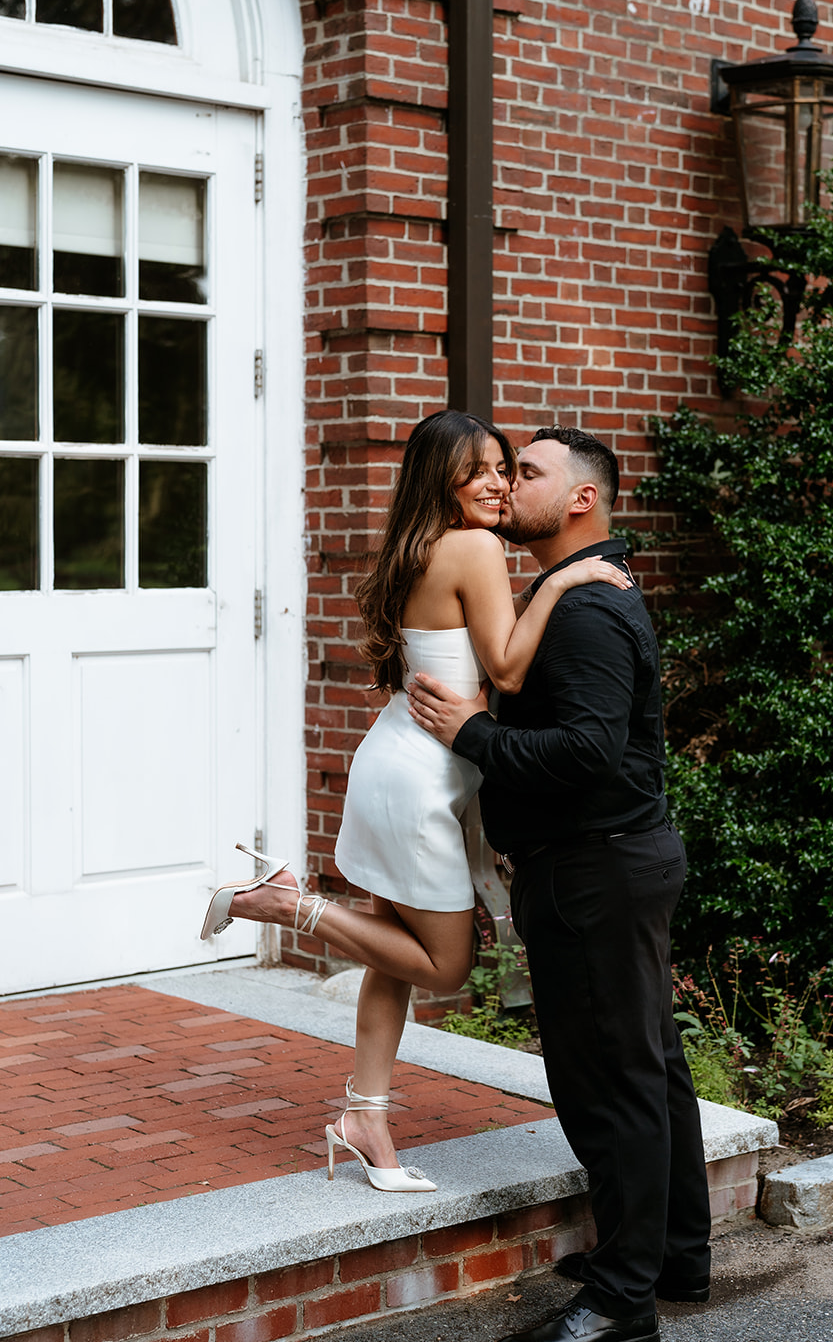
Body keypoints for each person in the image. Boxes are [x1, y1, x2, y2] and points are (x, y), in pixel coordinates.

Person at [201, 409, 630, 1193]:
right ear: (444, 481)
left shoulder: (422, 544)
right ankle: (281, 904)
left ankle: (364, 1117)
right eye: (481, 471)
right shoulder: (470, 547)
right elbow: (503, 670)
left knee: (388, 959)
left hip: (405, 762)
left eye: (505, 468)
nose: (499, 484)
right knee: (443, 964)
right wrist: (564, 579)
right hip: (420, 779)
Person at [406, 425, 712, 1342]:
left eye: (525, 471)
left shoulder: (581, 611)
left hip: (594, 871)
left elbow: (582, 754)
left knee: (607, 1082)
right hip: (612, 863)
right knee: (649, 1065)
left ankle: (623, 1302)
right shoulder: (574, 591)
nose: (504, 484)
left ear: (580, 499)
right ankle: (673, 1260)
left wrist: (471, 733)